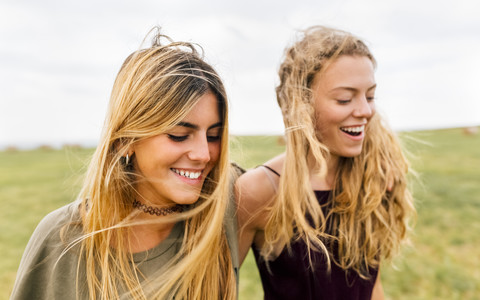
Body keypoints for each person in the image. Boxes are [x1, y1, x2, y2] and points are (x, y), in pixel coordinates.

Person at [11, 29, 238, 300]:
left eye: (213, 136)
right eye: (179, 135)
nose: (204, 154)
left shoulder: (227, 211)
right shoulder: (59, 239)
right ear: (126, 139)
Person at [236, 26, 416, 299]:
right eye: (345, 99)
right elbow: (219, 287)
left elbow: (372, 287)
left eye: (369, 96)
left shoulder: (373, 177)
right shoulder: (259, 190)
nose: (365, 111)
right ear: (301, 104)